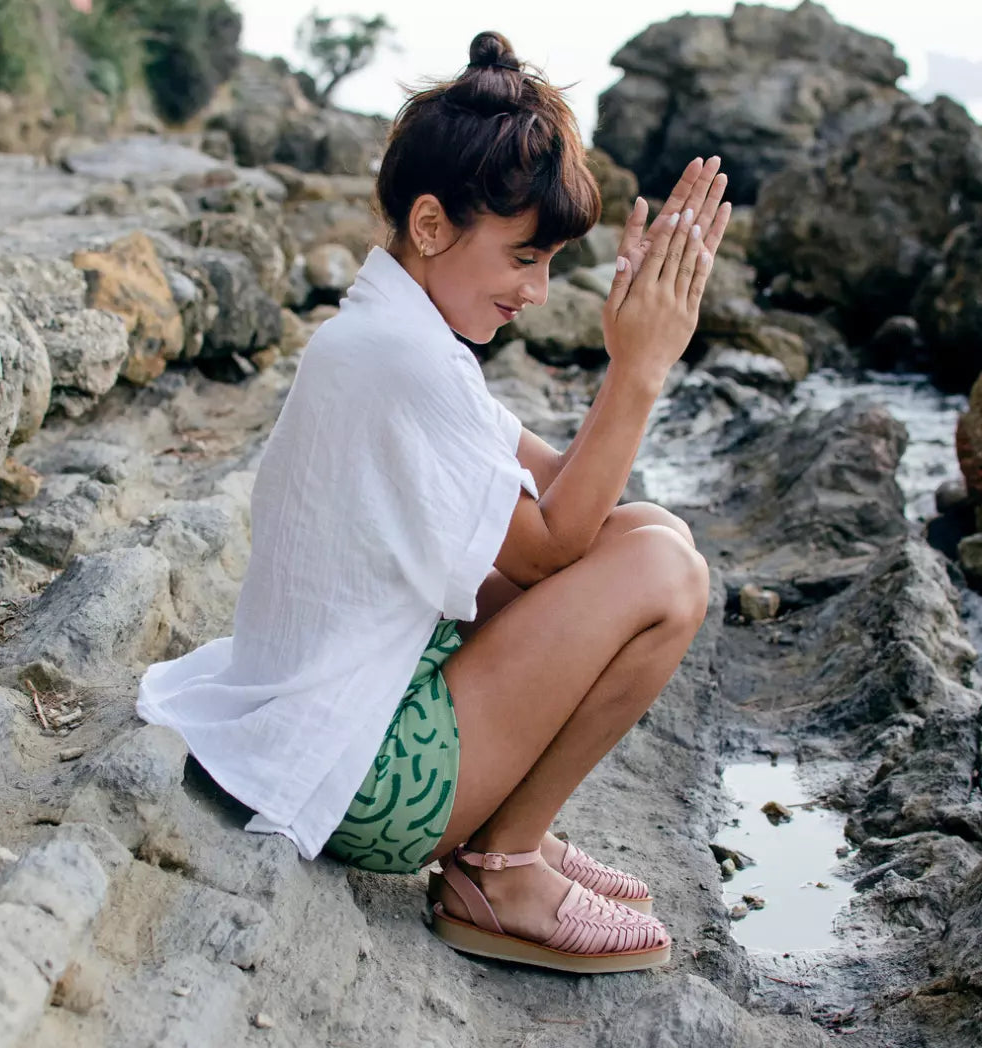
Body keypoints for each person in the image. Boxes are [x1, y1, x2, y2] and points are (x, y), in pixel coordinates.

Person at [137, 29, 729, 974]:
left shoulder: (396, 334)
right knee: (662, 570)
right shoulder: (402, 361)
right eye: (524, 258)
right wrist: (638, 372)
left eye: (549, 267)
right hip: (366, 775)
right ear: (428, 225)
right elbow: (547, 549)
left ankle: (504, 833)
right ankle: (501, 867)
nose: (537, 292)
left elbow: (559, 489)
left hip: (367, 702)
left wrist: (640, 346)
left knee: (650, 532)